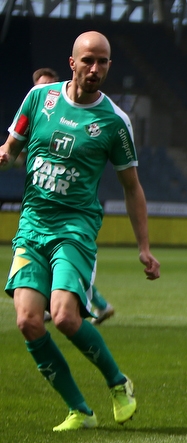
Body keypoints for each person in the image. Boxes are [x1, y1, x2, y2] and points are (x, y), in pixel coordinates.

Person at [0, 32, 160, 431]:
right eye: (88, 60)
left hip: (75, 228)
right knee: (28, 322)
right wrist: (3, 155)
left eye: (103, 62)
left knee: (67, 317)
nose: (95, 69)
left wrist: (144, 247)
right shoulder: (39, 99)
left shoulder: (114, 123)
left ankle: (118, 383)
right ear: (71, 63)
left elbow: (132, 187)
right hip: (32, 226)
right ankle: (79, 411)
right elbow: (10, 151)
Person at [23, 67, 116, 325]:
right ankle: (95, 305)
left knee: (63, 266)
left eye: (51, 83)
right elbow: (19, 146)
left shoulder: (98, 116)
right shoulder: (36, 109)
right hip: (38, 208)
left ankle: (89, 305)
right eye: (42, 84)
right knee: (55, 267)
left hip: (70, 215)